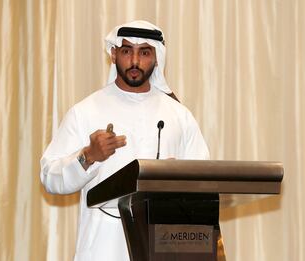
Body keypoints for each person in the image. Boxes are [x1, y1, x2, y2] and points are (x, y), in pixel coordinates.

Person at [40, 20, 210, 261]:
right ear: (113, 54)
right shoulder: (85, 111)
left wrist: (176, 177)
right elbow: (49, 177)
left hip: (165, 246)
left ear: (157, 57)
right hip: (102, 248)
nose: (135, 61)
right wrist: (87, 156)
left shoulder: (179, 115)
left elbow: (203, 182)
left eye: (144, 52)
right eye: (126, 51)